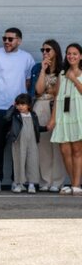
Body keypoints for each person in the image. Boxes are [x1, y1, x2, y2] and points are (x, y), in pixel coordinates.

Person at [0, 27, 36, 191]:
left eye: (10, 39)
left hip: (19, 109)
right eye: (4, 38)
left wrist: (21, 102)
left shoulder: (27, 58)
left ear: (19, 41)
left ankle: (17, 180)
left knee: (19, 144)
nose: (6, 41)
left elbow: (28, 81)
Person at [31, 40, 66, 192]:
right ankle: (45, 180)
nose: (44, 52)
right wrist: (43, 70)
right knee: (43, 145)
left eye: (48, 50)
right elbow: (38, 90)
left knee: (57, 145)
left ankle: (57, 181)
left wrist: (52, 91)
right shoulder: (38, 68)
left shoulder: (63, 69)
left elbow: (59, 92)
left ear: (55, 51)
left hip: (57, 106)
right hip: (41, 105)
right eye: (42, 50)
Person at [48, 43, 82, 195]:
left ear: (80, 56)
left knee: (77, 150)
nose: (71, 56)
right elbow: (57, 97)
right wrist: (53, 118)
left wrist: (74, 79)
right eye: (69, 53)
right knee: (64, 150)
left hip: (78, 115)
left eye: (75, 53)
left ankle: (76, 185)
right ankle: (74, 182)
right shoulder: (62, 74)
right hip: (63, 115)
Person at [6, 94, 43, 193]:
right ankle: (19, 184)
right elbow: (6, 118)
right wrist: (13, 107)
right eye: (18, 104)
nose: (20, 106)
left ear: (29, 105)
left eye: (23, 104)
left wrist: (46, 128)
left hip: (32, 141)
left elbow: (37, 127)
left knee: (33, 161)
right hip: (18, 141)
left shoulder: (33, 115)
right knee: (19, 161)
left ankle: (31, 184)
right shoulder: (15, 115)